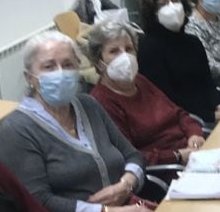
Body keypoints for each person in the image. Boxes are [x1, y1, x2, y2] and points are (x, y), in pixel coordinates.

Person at [0, 31, 153, 212]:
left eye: (68, 64)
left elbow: (133, 155)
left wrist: (126, 184)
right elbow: (39, 202)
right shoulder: (17, 129)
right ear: (30, 77)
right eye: (49, 67)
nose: (61, 73)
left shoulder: (88, 105)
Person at [87, 20, 206, 166]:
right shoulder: (101, 101)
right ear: (99, 62)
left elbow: (178, 113)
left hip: (192, 152)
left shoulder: (140, 80)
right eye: (114, 51)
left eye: (129, 49)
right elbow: (129, 155)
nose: (124, 57)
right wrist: (176, 156)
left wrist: (194, 133)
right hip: (167, 169)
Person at [136, 0, 220, 123]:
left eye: (175, 0)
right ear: (152, 12)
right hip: (186, 121)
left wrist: (219, 105)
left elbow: (207, 82)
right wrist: (209, 116)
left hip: (214, 113)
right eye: (163, 4)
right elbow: (165, 98)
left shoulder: (193, 42)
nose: (172, 7)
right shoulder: (147, 48)